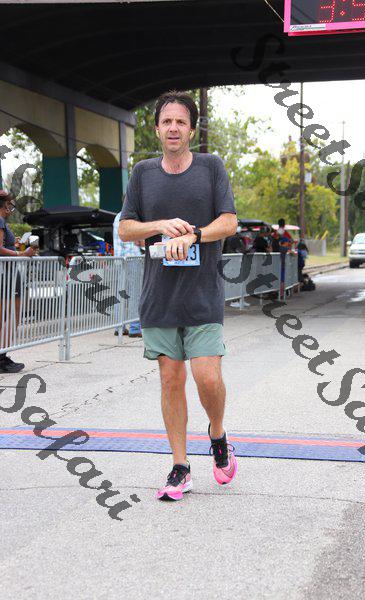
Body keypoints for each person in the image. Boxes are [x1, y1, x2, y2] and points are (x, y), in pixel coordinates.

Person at [119, 90, 238, 501]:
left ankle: (218, 434)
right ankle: (180, 467)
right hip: (160, 298)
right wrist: (160, 225)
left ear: (191, 129)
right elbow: (125, 228)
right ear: (157, 129)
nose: (173, 128)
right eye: (166, 121)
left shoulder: (210, 167)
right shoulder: (143, 173)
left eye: (180, 122)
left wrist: (194, 235)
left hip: (203, 294)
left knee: (207, 377)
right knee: (171, 379)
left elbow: (229, 222)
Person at [0, 190, 37, 373]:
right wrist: (22, 253)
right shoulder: (0, 221)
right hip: (6, 274)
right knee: (11, 316)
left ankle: (2, 356)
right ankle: (2, 358)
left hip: (6, 273)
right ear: (5, 205)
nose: (11, 209)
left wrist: (12, 244)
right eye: (10, 205)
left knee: (6, 316)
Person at [113, 208, 142, 338]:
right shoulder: (132, 218)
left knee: (120, 293)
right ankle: (135, 327)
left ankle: (119, 327)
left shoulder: (118, 217)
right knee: (135, 293)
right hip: (133, 259)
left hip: (119, 259)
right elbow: (137, 242)